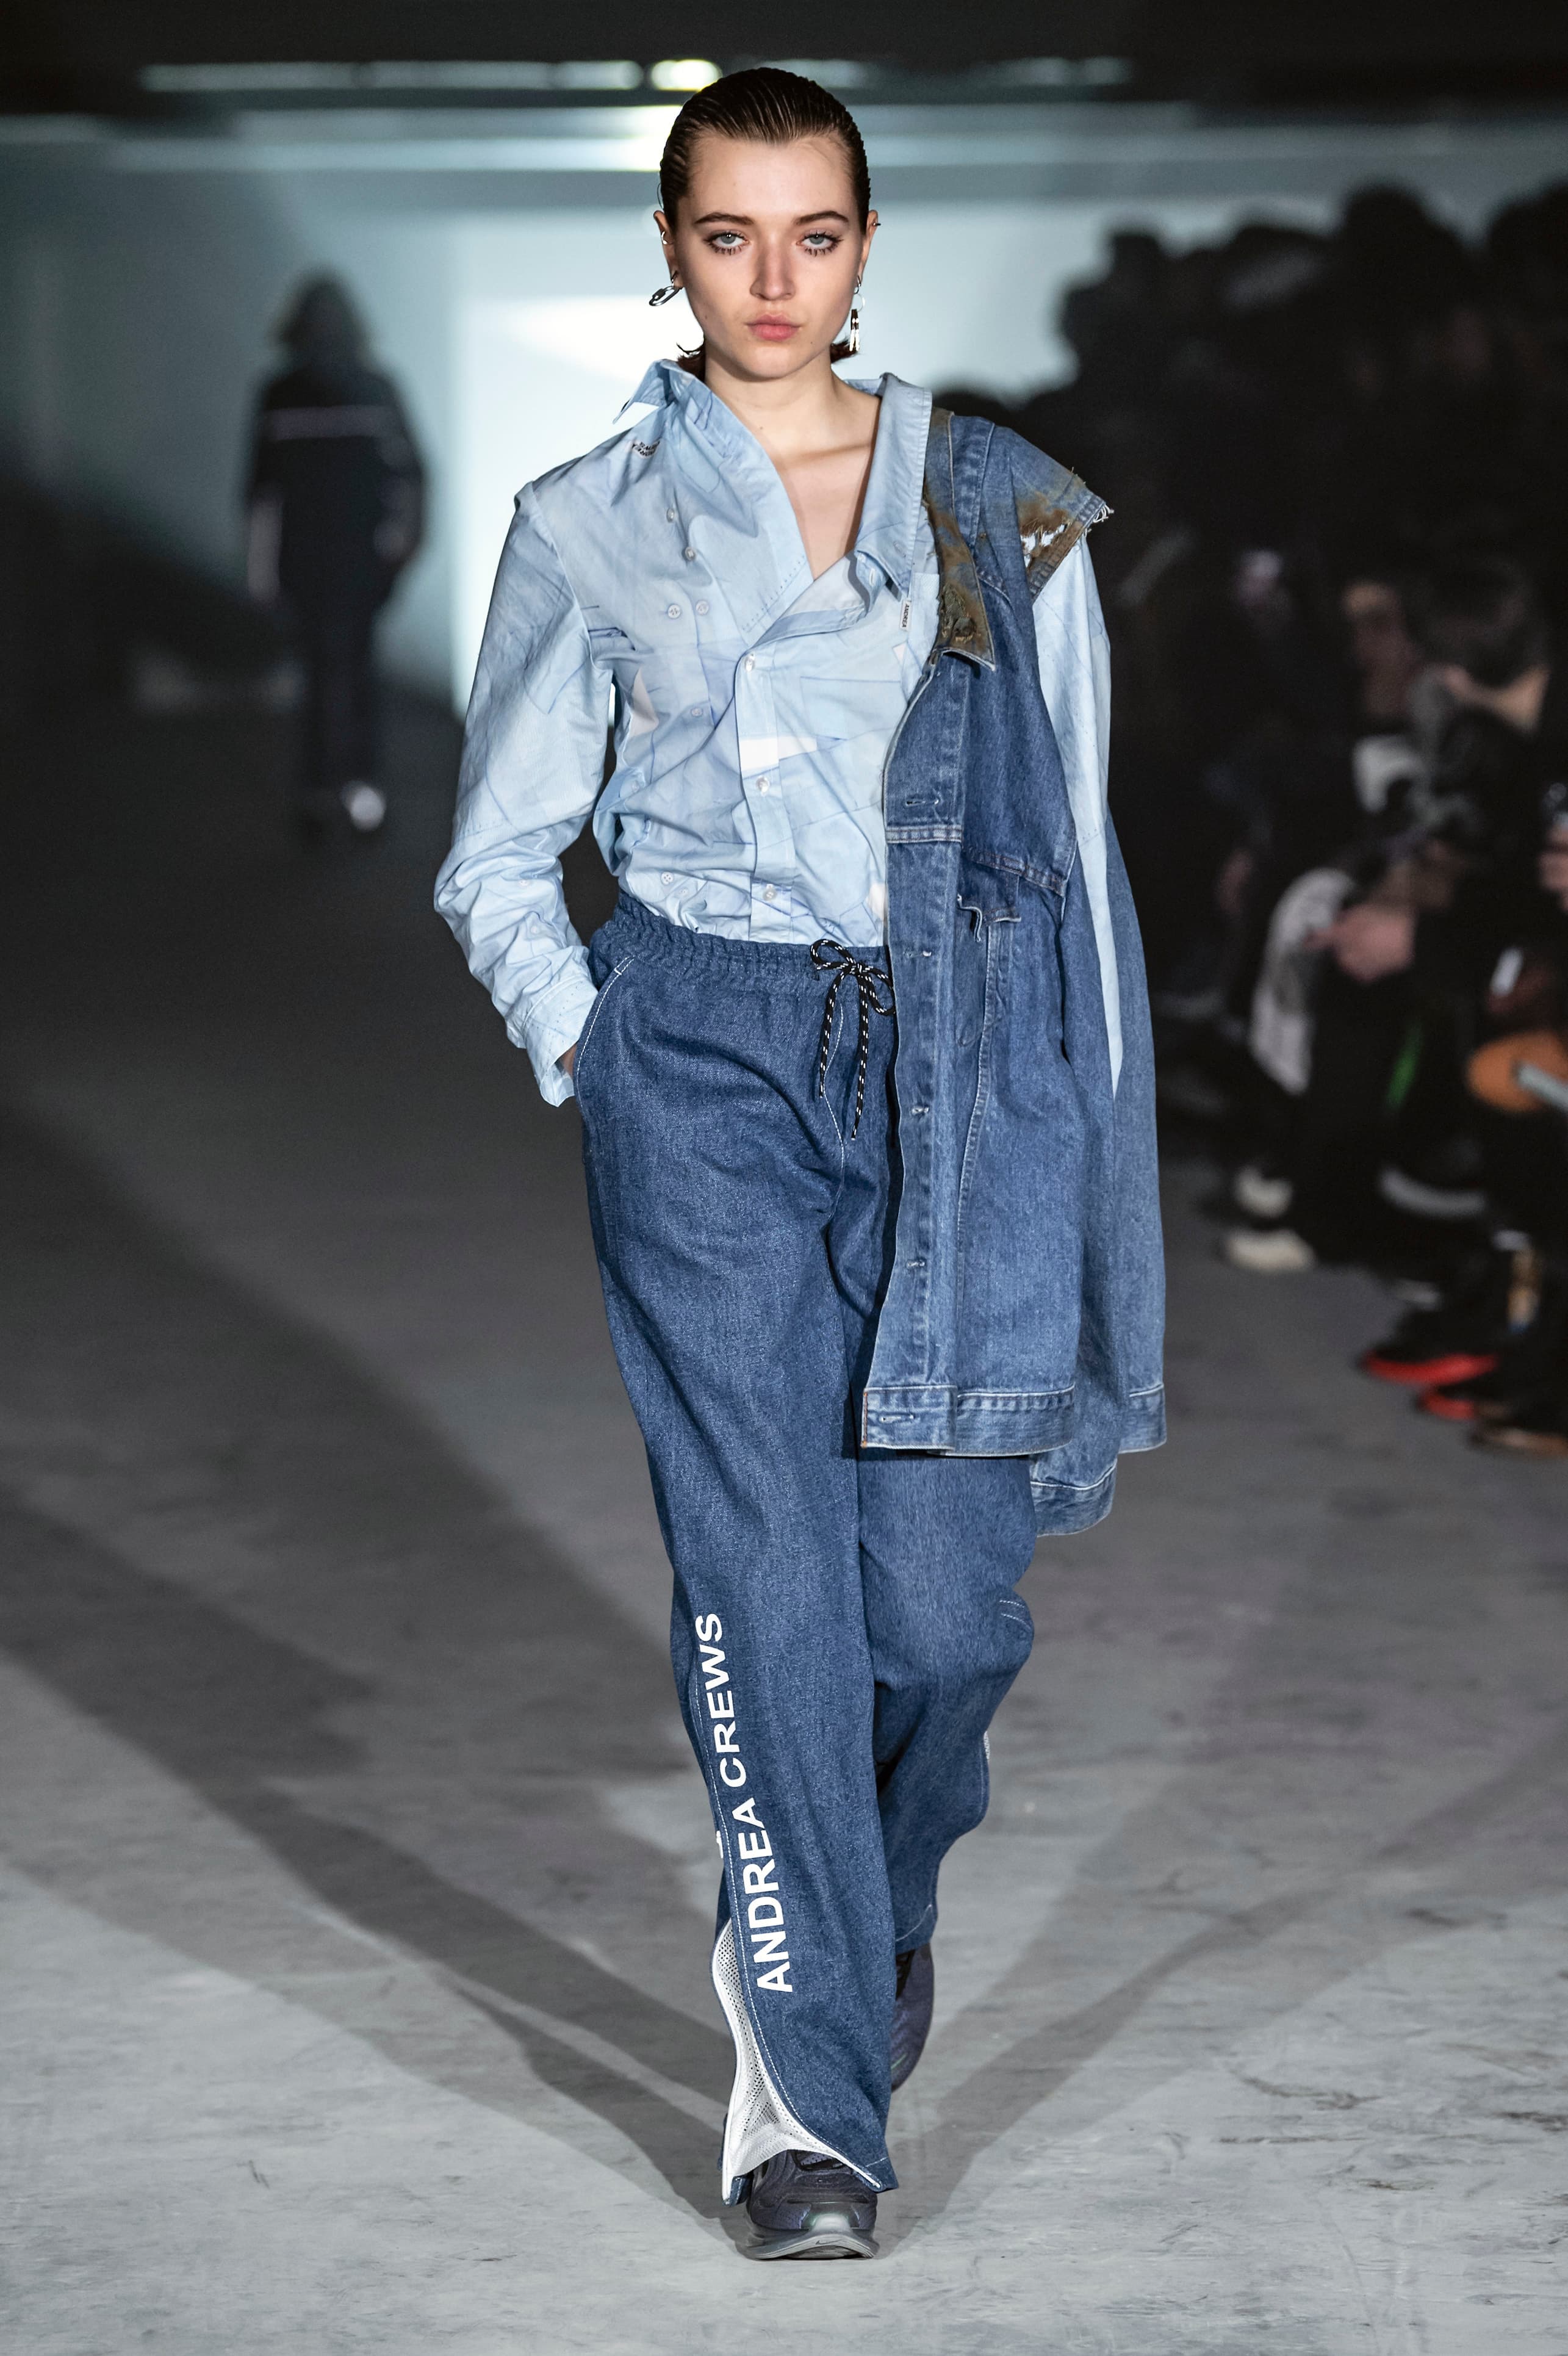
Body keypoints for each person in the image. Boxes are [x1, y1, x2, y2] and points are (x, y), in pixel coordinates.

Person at [436, 68, 1162, 2260]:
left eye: (813, 233)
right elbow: (496, 849)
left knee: (940, 1616)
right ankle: (807, 2113)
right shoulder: (583, 521)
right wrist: (595, 1040)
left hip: (961, 1059)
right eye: (727, 233)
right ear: (669, 244)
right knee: (766, 1578)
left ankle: (860, 1901)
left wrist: (1091, 1150)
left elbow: (1077, 862)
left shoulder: (998, 507)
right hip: (702, 1060)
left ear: (863, 245)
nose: (771, 280)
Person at [246, 276, 425, 841]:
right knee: (356, 672)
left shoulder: (279, 392)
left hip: (306, 561)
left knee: (320, 675)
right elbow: (414, 476)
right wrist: (403, 549)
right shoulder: (377, 389)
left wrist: (260, 571)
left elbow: (258, 491)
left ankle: (321, 797)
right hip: (360, 559)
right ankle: (359, 795)